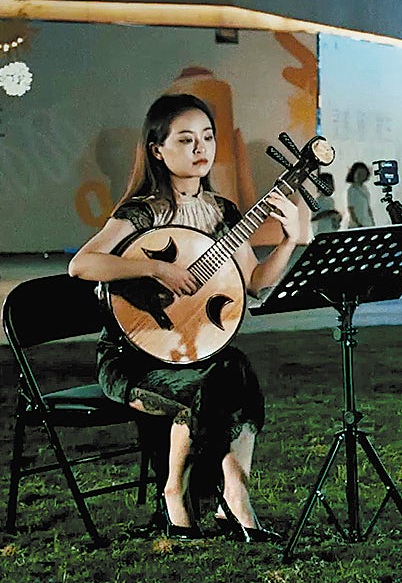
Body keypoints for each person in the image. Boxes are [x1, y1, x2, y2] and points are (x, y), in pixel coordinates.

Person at [69, 93, 308, 541]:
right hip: (135, 356)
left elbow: (254, 283)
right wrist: (157, 266)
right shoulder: (141, 213)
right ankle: (174, 494)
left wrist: (287, 243)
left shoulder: (223, 213)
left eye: (208, 138)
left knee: (236, 368)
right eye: (186, 139)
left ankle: (234, 495)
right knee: (212, 384)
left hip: (194, 350)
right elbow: (82, 265)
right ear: (158, 150)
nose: (201, 149)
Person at [345, 161, 375, 228]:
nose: (361, 176)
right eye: (359, 174)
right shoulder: (352, 189)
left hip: (367, 223)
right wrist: (357, 223)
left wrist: (372, 221)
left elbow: (368, 207)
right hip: (357, 224)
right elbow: (351, 209)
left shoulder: (365, 188)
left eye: (363, 174)